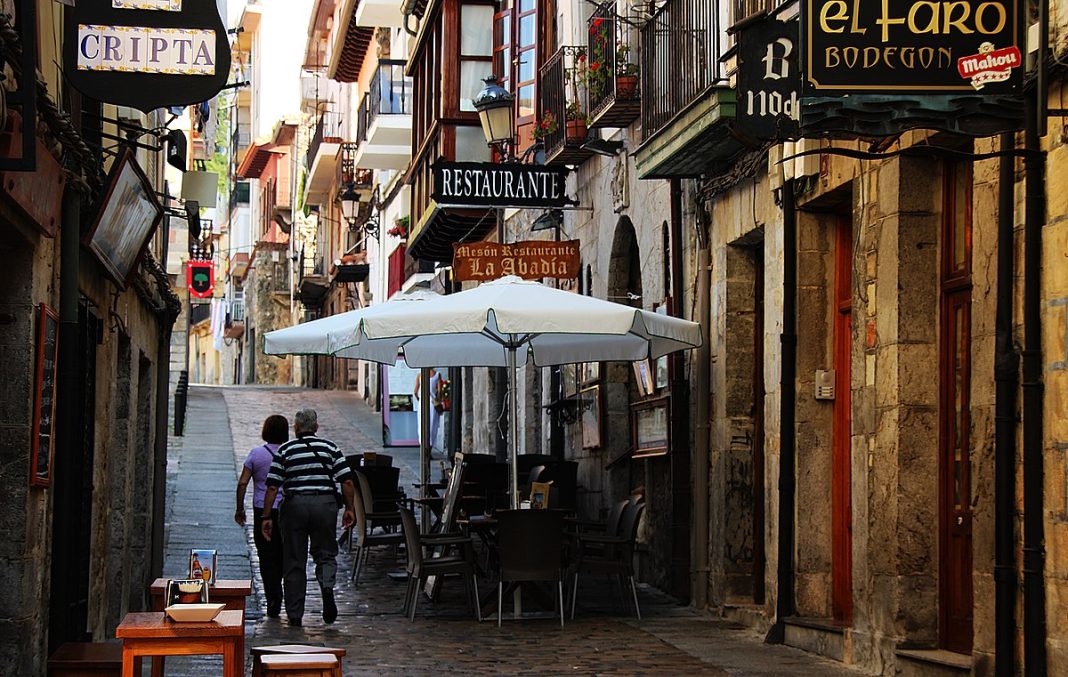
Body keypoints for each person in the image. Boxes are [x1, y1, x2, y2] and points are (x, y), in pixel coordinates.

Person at [261, 409, 355, 627]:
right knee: (326, 553)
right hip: (325, 505)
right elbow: (347, 481)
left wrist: (267, 516)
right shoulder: (331, 448)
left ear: (295, 428)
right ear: (316, 428)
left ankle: (295, 614)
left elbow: (273, 485)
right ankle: (328, 587)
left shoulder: (285, 450)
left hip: (294, 505)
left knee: (294, 559)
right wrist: (349, 508)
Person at [235, 414, 288, 618]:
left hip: (262, 511)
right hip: (284, 510)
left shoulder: (256, 454)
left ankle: (272, 594)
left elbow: (242, 483)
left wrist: (239, 508)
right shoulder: (289, 454)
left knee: (266, 556)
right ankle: (279, 587)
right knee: (283, 552)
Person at [412, 367, 445, 453]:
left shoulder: (420, 375)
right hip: (432, 403)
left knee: (422, 424)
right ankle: (429, 450)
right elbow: (440, 390)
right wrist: (438, 399)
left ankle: (423, 447)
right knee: (432, 425)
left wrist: (419, 399)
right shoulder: (437, 375)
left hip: (422, 402)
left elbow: (415, 391)